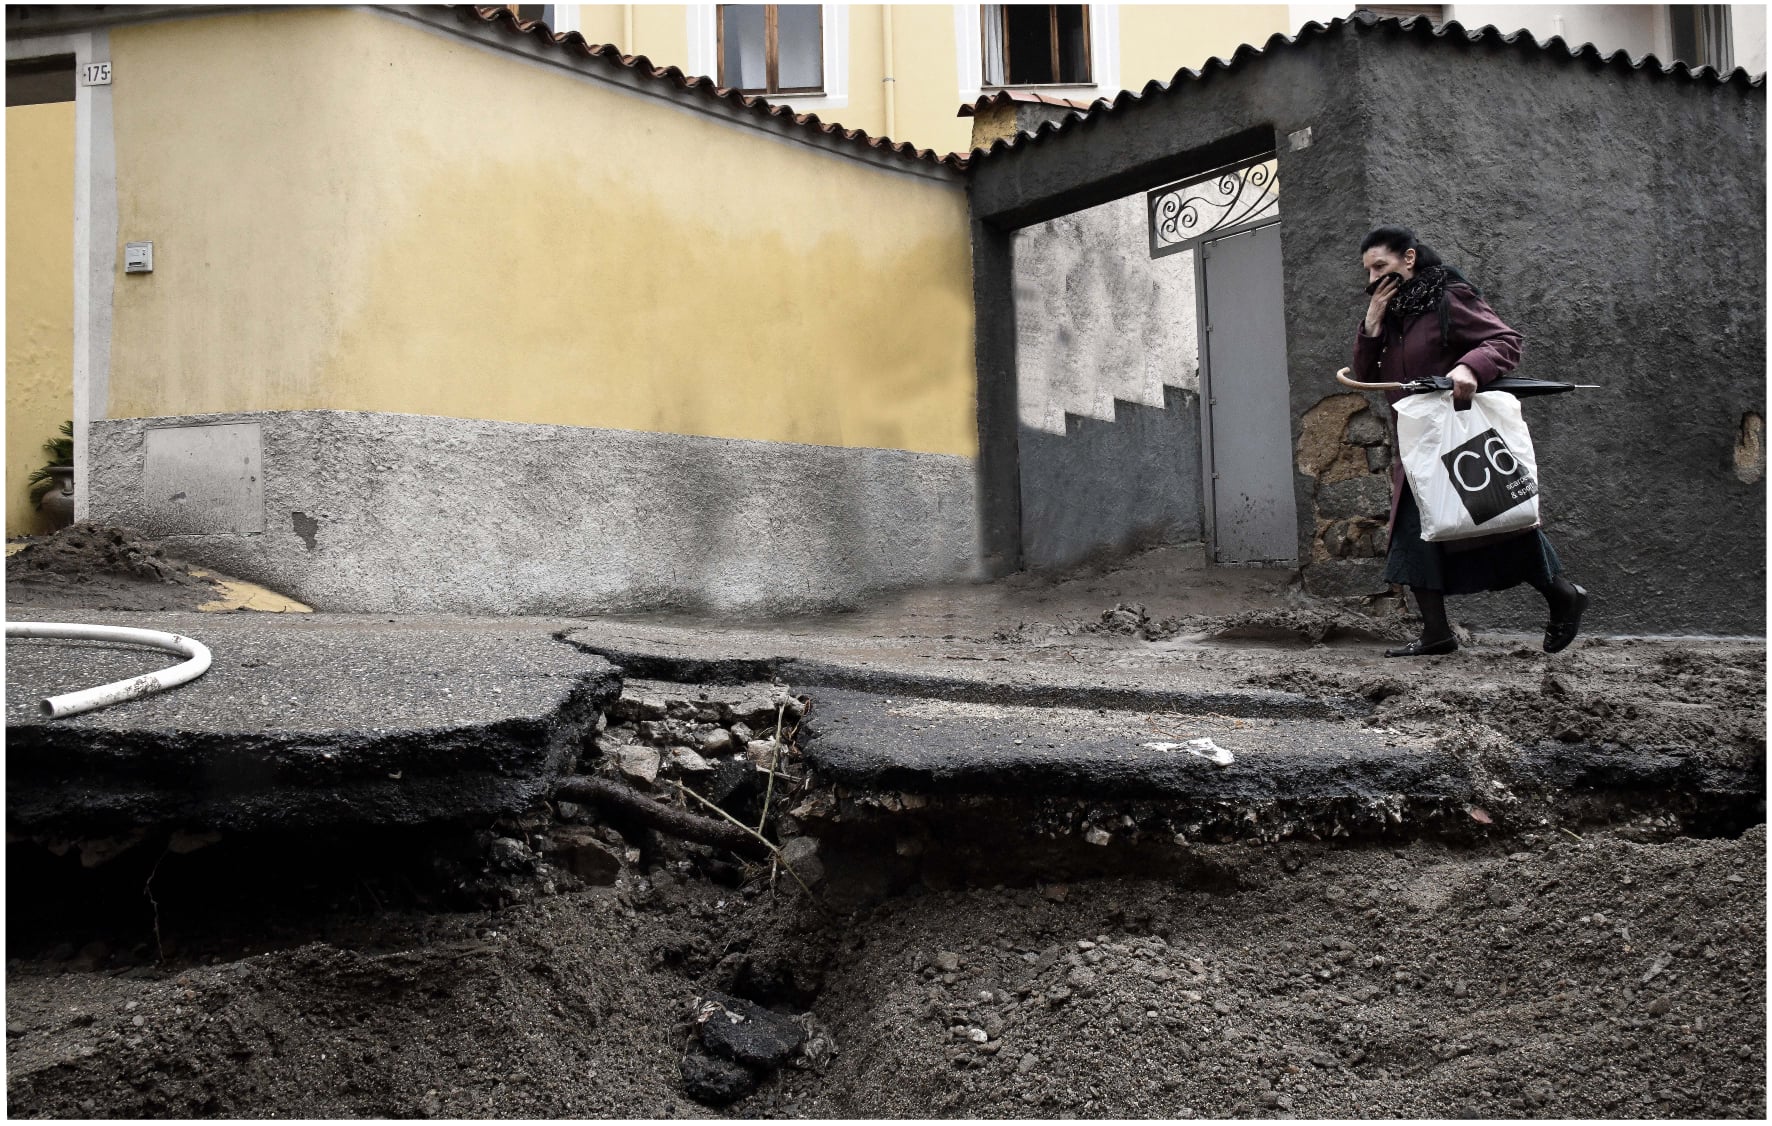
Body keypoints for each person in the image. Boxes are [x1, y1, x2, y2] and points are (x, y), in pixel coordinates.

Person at [1351, 225, 1588, 657]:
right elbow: (1366, 378)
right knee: (1411, 528)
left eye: (1380, 266)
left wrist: (1469, 368)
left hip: (1460, 434)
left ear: (1408, 258)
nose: (1373, 280)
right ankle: (1437, 633)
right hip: (1420, 440)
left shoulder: (1448, 297)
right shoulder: (1391, 313)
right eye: (1368, 272)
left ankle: (1563, 595)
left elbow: (1505, 341)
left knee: (1500, 519)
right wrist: (1371, 323)